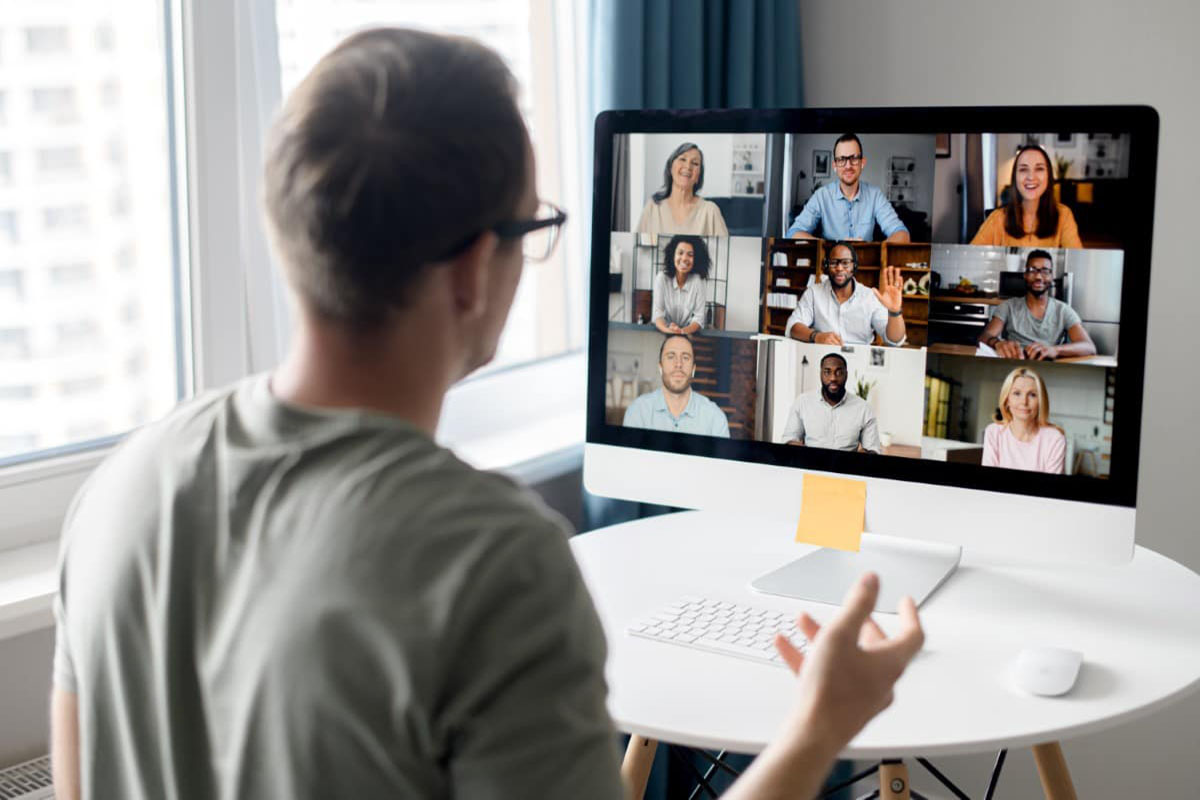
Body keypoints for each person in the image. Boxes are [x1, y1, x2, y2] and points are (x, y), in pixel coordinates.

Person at [50, 28, 924, 800]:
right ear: (473, 270)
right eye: (531, 229)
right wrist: (820, 724)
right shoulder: (490, 562)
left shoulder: (118, 492)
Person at [787, 134, 911, 243]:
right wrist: (828, 248)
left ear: (862, 162)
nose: (848, 166)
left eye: (854, 158)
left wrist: (876, 251)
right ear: (834, 165)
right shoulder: (821, 196)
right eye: (841, 159)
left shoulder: (875, 195)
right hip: (831, 265)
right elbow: (793, 233)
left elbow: (902, 234)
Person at [978, 249, 1096, 360]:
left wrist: (1055, 350)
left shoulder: (1063, 310)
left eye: (1045, 271)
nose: (1039, 277)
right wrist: (997, 343)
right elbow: (984, 336)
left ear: (1051, 277)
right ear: (1025, 275)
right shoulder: (1008, 306)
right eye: (1032, 270)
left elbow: (1089, 347)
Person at [786, 241, 907, 346]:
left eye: (845, 263)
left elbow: (894, 340)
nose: (839, 268)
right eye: (834, 262)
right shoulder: (813, 292)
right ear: (827, 266)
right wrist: (816, 336)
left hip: (860, 363)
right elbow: (793, 327)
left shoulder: (869, 296)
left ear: (854, 266)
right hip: (823, 358)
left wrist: (895, 312)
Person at [971, 144, 1083, 248]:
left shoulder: (1064, 216)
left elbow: (1077, 262)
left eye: (1039, 169)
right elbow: (971, 258)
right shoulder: (997, 219)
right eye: (1023, 169)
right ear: (1015, 177)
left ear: (1048, 176)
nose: (1031, 177)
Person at [623, 334, 730, 437]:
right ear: (660, 367)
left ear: (693, 369)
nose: (678, 364)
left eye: (685, 357)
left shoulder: (715, 418)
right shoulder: (637, 412)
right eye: (670, 357)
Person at [781, 352, 882, 453]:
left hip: (847, 467)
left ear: (846, 374)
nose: (833, 378)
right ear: (820, 374)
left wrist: (865, 455)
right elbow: (789, 440)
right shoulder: (802, 402)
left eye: (839, 372)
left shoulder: (864, 408)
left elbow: (873, 449)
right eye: (827, 372)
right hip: (810, 465)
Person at [982, 367, 1066, 473]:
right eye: (1017, 393)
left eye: (1032, 395)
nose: (1024, 402)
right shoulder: (993, 432)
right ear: (1007, 400)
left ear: (1041, 401)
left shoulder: (1055, 439)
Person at [636, 142, 729, 236]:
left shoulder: (710, 211)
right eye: (682, 159)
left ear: (698, 176)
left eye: (695, 163)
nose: (688, 166)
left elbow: (726, 248)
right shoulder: (653, 207)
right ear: (671, 167)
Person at [652, 234, 710, 334]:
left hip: (690, 334)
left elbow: (698, 319)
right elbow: (658, 316)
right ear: (672, 255)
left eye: (690, 255)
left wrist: (682, 332)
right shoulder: (661, 278)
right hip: (664, 332)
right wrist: (670, 331)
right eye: (680, 253)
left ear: (696, 259)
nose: (684, 258)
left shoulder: (699, 281)